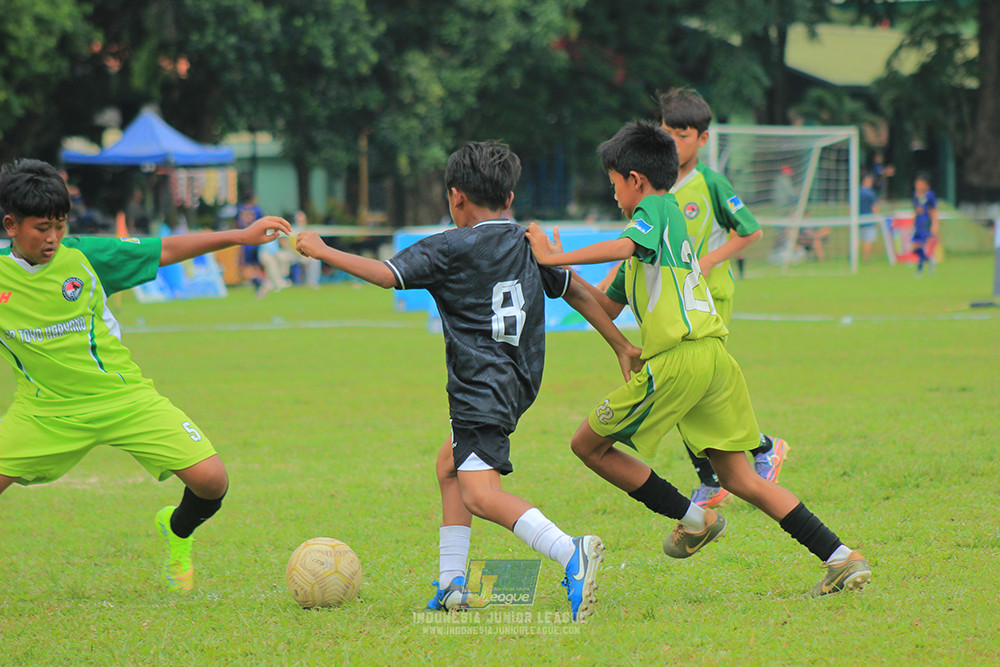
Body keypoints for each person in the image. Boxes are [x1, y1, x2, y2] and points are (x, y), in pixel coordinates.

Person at [295, 140, 642, 621]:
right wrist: (622, 345)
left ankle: (571, 551)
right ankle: (452, 583)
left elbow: (384, 274)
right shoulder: (527, 244)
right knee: (449, 466)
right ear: (510, 198)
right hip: (518, 382)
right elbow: (579, 294)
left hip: (480, 385)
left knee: (480, 494)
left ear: (456, 196)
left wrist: (322, 249)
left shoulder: (449, 247)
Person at [526, 120, 872, 596]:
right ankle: (840, 557)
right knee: (739, 477)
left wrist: (553, 260)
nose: (615, 198)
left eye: (614, 186)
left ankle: (696, 520)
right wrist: (559, 273)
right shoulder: (658, 244)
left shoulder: (658, 208)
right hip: (714, 361)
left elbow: (626, 242)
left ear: (636, 180)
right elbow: (601, 304)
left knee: (588, 446)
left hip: (681, 360)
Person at [0, 158, 292, 592]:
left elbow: (166, 250)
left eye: (60, 224)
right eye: (43, 227)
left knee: (212, 482)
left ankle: (176, 531)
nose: (53, 237)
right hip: (45, 412)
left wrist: (239, 236)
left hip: (123, 398)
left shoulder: (85, 256)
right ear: (12, 225)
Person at [656, 87, 788, 508]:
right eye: (667, 134)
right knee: (685, 390)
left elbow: (751, 231)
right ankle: (725, 468)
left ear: (703, 139)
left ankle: (752, 453)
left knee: (695, 387)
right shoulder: (656, 189)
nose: (673, 144)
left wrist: (711, 260)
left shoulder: (710, 183)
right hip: (671, 304)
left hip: (710, 300)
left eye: (683, 135)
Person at [911, 173, 939, 274]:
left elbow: (933, 211)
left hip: (925, 223)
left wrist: (934, 225)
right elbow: (915, 210)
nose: (917, 185)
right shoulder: (915, 195)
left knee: (920, 245)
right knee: (914, 248)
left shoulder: (930, 195)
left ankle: (920, 268)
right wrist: (913, 223)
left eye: (919, 183)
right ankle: (929, 260)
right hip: (918, 224)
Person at [859, 173, 880, 262]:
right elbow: (874, 207)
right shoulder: (870, 193)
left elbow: (850, 206)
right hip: (869, 219)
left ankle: (854, 257)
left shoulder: (857, 191)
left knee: (858, 239)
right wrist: (877, 218)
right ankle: (866, 259)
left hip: (858, 219)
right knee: (868, 239)